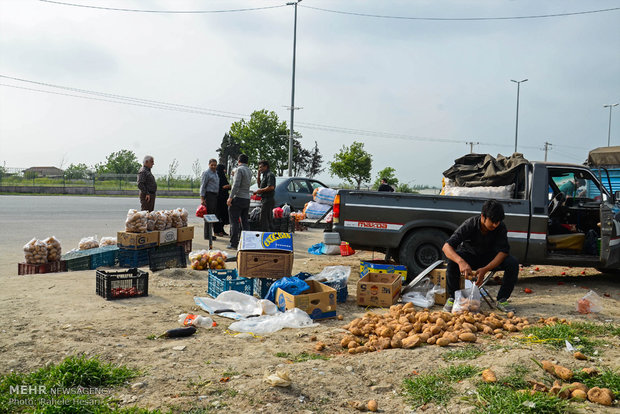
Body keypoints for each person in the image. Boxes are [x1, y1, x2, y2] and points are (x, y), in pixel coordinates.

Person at [442, 199, 519, 313]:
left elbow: (503, 252)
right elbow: (446, 247)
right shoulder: (470, 224)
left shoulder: (500, 227)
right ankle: (453, 298)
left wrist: (486, 269)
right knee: (453, 261)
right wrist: (461, 262)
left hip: (490, 259)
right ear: (483, 216)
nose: (495, 224)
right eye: (492, 221)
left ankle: (502, 299)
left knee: (512, 263)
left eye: (498, 222)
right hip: (470, 256)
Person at [227, 154, 252, 249]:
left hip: (238, 198)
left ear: (238, 161)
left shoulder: (239, 170)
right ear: (247, 162)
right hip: (246, 198)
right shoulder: (249, 171)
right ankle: (248, 242)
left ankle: (234, 243)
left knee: (234, 222)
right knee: (245, 221)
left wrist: (230, 197)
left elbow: (236, 185)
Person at [200, 159, 220, 240]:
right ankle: (207, 235)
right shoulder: (206, 173)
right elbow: (203, 186)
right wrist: (202, 198)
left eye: (215, 165)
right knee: (208, 216)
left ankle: (209, 234)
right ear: (209, 165)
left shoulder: (216, 173)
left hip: (214, 196)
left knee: (212, 215)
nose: (213, 166)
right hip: (209, 195)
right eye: (212, 165)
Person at [254, 160, 276, 232]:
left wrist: (260, 191)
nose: (260, 169)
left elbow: (271, 187)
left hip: (268, 199)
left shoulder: (270, 175)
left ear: (266, 167)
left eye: (261, 167)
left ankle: (266, 233)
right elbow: (259, 185)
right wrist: (258, 175)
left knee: (264, 219)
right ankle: (268, 232)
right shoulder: (264, 175)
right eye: (259, 168)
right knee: (266, 218)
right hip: (264, 199)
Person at [214, 164, 231, 237]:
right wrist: (224, 187)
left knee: (224, 215)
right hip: (219, 199)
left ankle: (221, 230)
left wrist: (228, 186)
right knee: (218, 215)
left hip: (224, 198)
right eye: (223, 169)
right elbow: (218, 187)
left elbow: (227, 185)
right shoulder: (216, 176)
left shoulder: (223, 176)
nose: (224, 170)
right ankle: (216, 231)